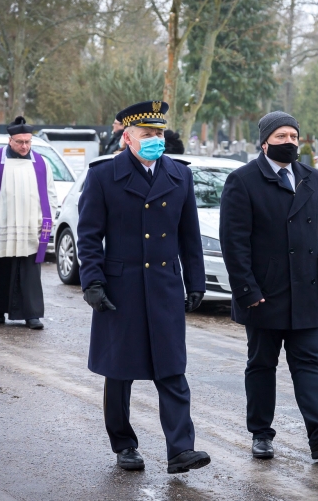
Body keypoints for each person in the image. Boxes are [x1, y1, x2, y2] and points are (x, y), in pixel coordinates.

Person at [76, 100, 210, 474]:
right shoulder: (104, 176)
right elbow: (88, 235)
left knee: (171, 369)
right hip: (121, 287)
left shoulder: (180, 175)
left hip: (164, 285)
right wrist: (93, 282)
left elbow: (190, 236)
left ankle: (181, 450)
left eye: (159, 133)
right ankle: (124, 444)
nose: (156, 139)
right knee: (120, 372)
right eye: (148, 134)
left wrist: (195, 282)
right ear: (128, 137)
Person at [219, 111, 318, 461]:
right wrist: (247, 290)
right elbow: (234, 243)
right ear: (264, 142)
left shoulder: (311, 177)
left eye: (294, 136)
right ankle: (261, 434)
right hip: (265, 293)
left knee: (308, 362)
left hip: (306, 291)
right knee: (262, 364)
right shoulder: (243, 180)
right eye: (281, 136)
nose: (289, 142)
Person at [0, 116, 58, 330]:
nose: (25, 146)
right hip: (0, 224)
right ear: (10, 140)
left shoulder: (41, 163)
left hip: (30, 226)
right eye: (20, 142)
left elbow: (50, 194)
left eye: (28, 142)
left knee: (29, 271)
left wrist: (46, 221)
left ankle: (32, 315)